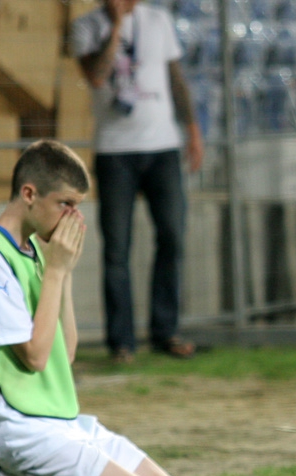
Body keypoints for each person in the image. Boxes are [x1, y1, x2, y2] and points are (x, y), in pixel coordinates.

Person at [0, 140, 191, 476]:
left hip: (62, 422)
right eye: (65, 204)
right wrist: (55, 272)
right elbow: (33, 356)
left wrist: (60, 274)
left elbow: (62, 355)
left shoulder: (35, 250)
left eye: (78, 206)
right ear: (29, 194)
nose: (74, 217)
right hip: (19, 428)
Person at [70, 0, 203, 364]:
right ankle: (122, 342)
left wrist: (192, 129)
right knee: (117, 249)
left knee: (172, 237)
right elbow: (97, 75)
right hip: (116, 151)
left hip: (162, 147)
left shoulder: (159, 20)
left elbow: (175, 78)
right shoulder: (86, 27)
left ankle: (166, 330)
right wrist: (114, 28)